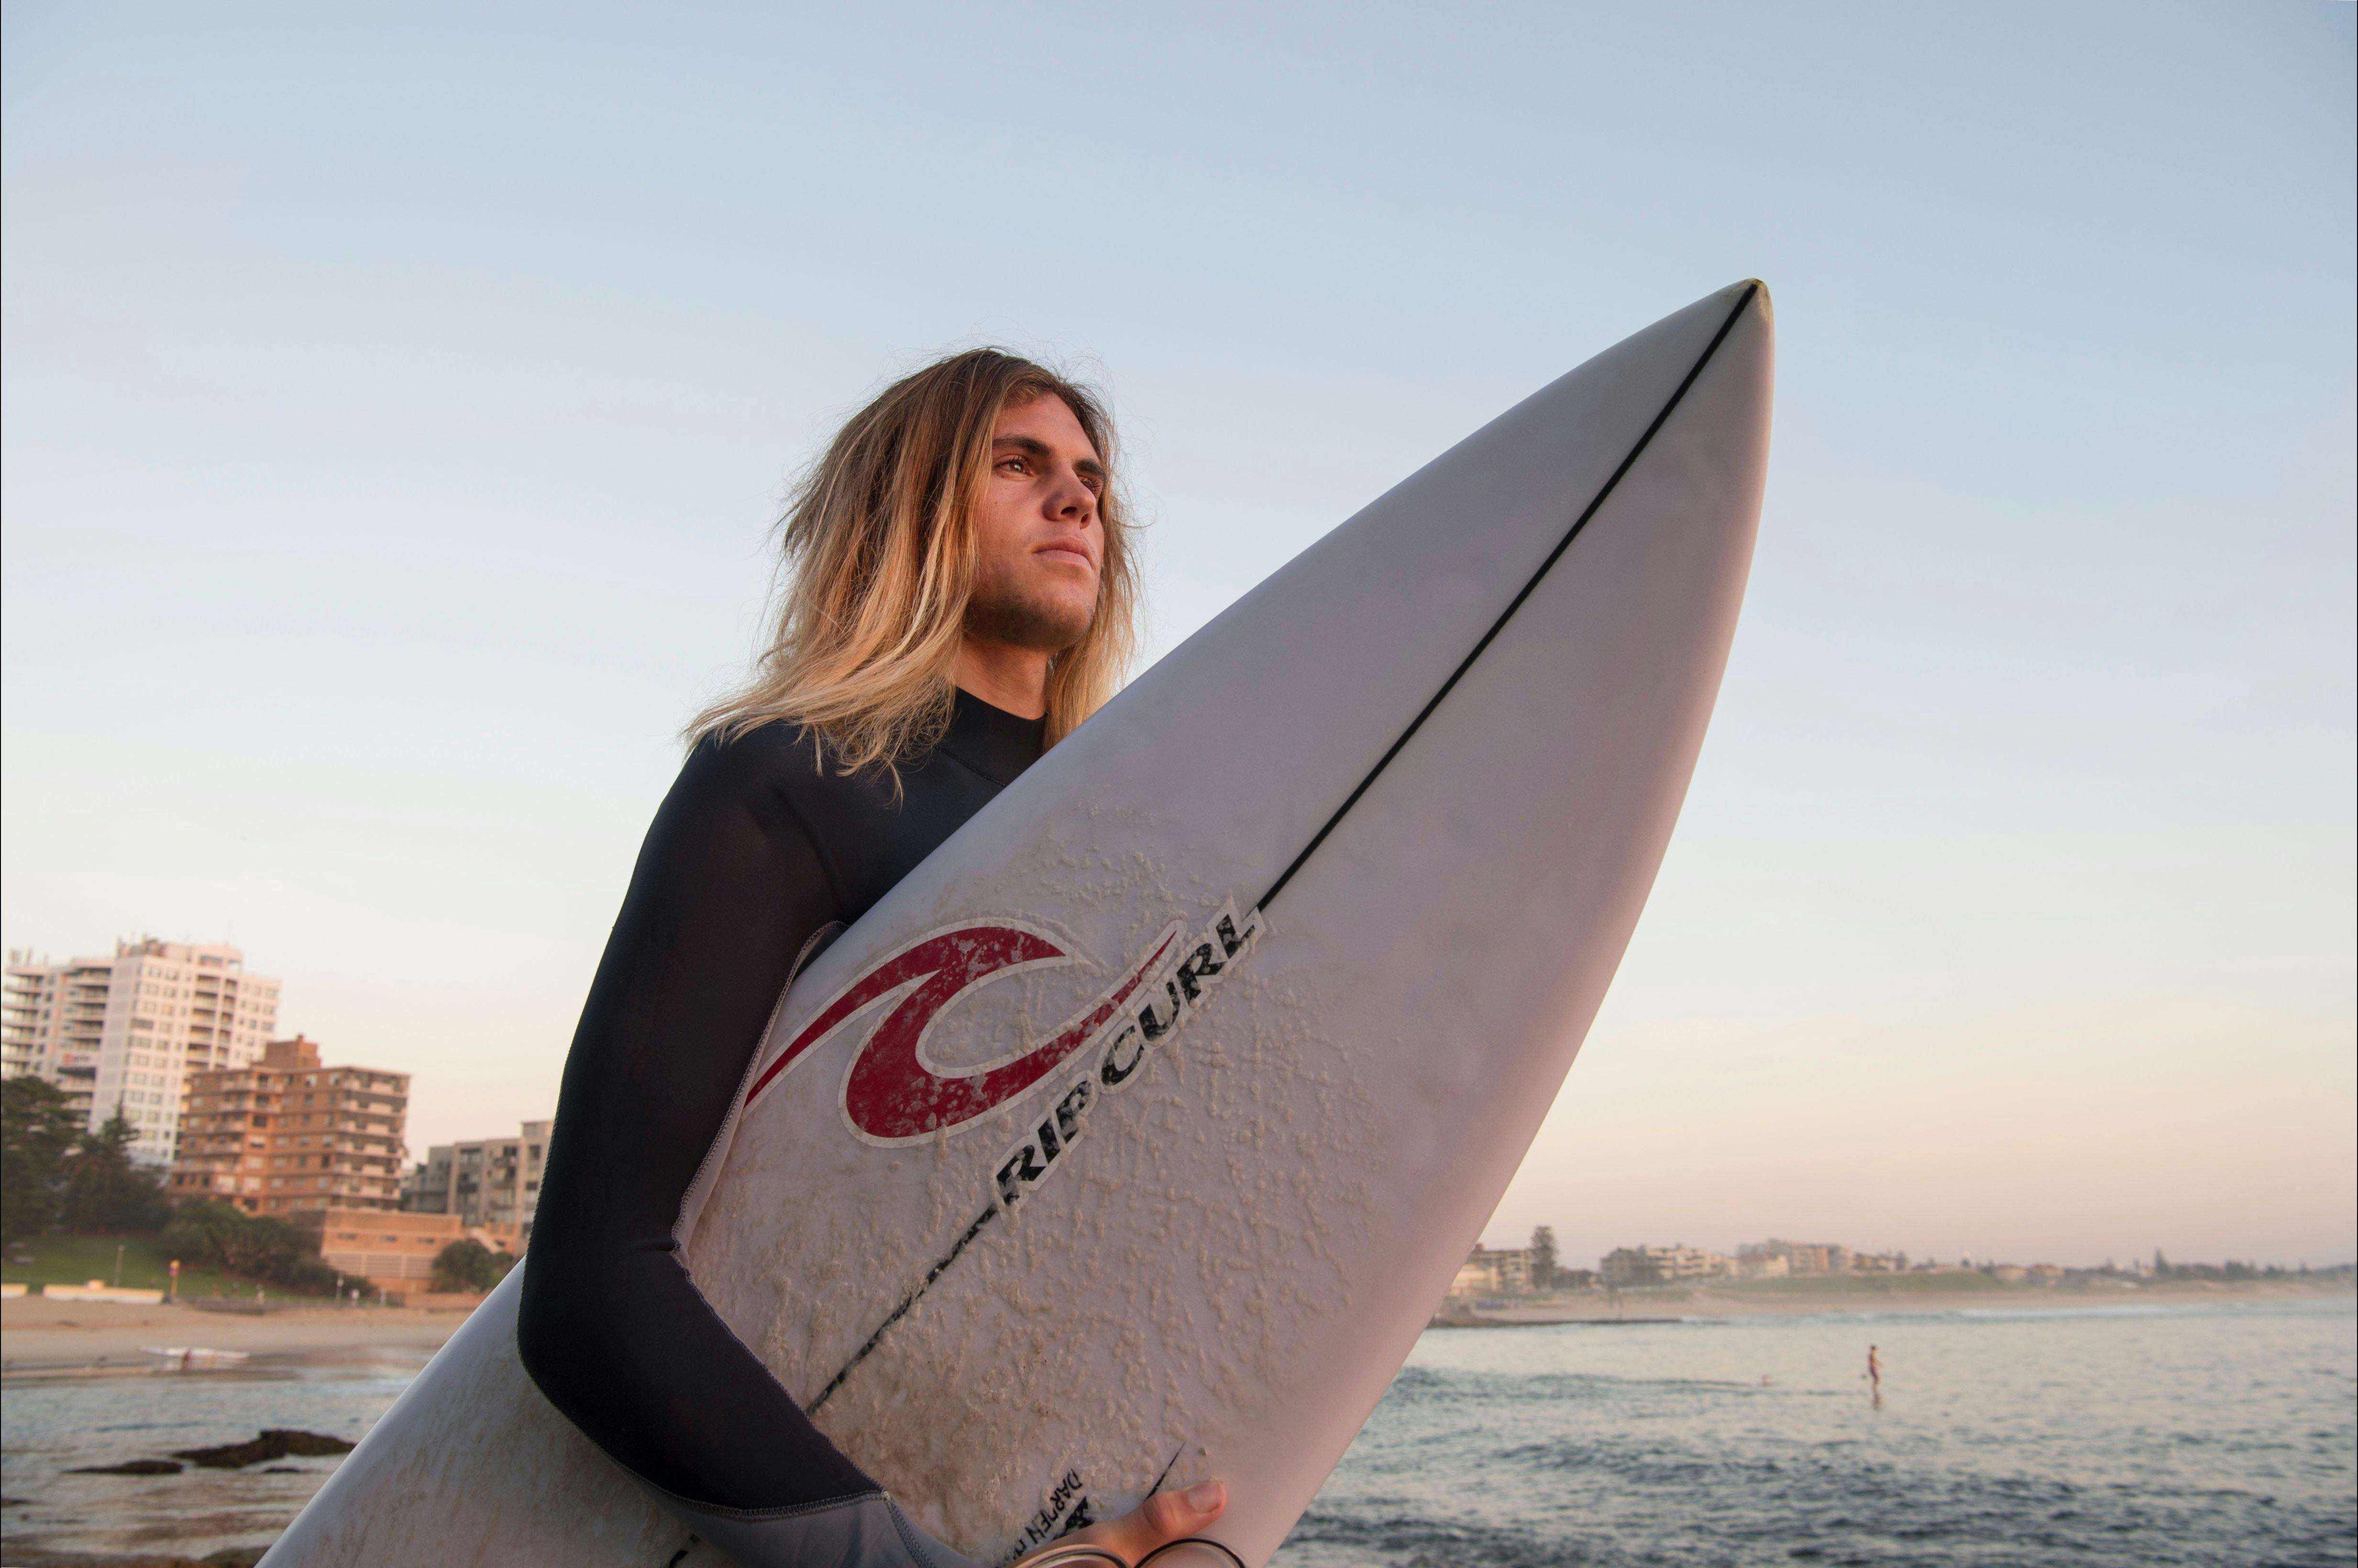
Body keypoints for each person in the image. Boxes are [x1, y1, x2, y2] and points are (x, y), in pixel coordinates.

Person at [518, 351, 1229, 1568]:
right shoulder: (791, 781)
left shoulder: (1130, 842)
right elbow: (591, 1290)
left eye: (1090, 478)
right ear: (908, 506)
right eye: (1019, 463)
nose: (1076, 500)